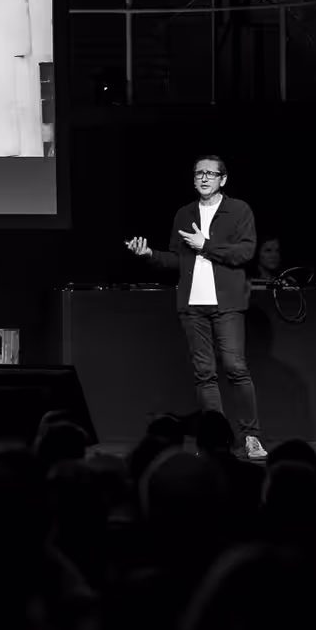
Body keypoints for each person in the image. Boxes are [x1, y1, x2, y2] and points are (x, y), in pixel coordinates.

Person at [127, 155, 264, 459]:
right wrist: (149, 253)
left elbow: (245, 252)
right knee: (205, 374)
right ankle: (214, 440)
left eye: (210, 174)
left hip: (226, 302)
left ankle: (251, 436)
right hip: (192, 305)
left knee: (235, 368)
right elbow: (178, 260)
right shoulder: (184, 213)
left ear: (222, 180)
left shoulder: (238, 210)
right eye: (198, 173)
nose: (203, 178)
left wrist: (207, 245)